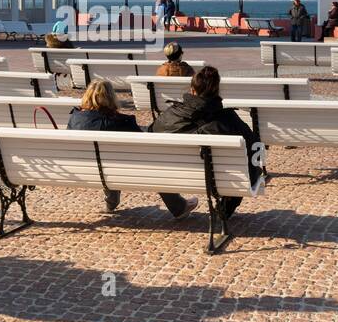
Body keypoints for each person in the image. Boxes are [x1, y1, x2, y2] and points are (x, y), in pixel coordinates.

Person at [67, 79, 196, 218]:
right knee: (154, 164)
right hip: (123, 170)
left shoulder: (75, 119)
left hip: (87, 169)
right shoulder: (122, 122)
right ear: (111, 97)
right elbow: (144, 146)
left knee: (106, 162)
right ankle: (179, 207)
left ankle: (111, 202)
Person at [149, 66, 262, 219]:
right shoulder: (228, 120)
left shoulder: (169, 116)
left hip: (168, 175)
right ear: (216, 91)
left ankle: (178, 206)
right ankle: (224, 209)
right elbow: (255, 148)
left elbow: (151, 136)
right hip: (220, 181)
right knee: (245, 159)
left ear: (192, 90)